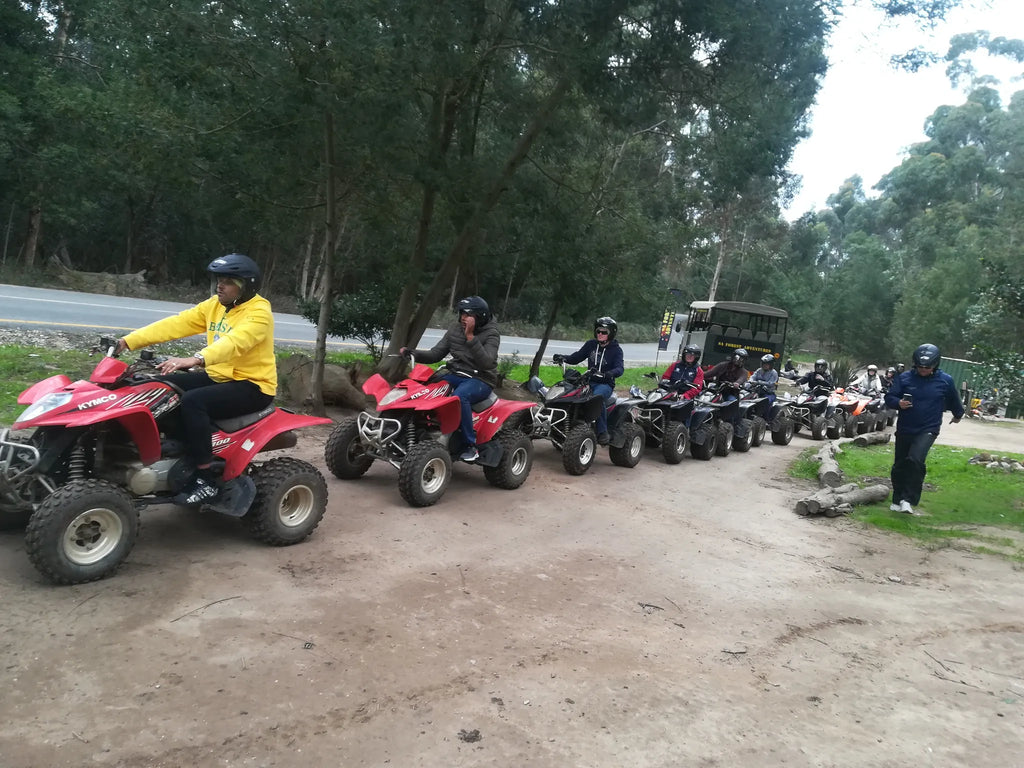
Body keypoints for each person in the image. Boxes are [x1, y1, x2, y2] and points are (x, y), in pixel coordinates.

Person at [114, 254, 276, 505]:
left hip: (253, 385)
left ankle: (205, 475)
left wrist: (197, 358)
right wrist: (128, 341)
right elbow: (176, 324)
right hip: (219, 376)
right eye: (218, 280)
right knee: (160, 388)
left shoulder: (259, 312)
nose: (219, 286)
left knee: (193, 401)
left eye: (228, 281)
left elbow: (236, 342)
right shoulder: (215, 305)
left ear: (246, 286)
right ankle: (180, 450)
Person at [403, 296, 499, 463]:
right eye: (462, 313)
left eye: (468, 314)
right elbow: (435, 354)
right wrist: (414, 353)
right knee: (424, 390)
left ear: (480, 316)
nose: (463, 318)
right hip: (456, 374)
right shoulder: (455, 330)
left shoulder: (491, 334)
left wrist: (470, 336)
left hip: (481, 378)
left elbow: (487, 363)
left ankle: (470, 445)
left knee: (459, 397)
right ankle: (416, 430)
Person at [884, 343, 963, 515]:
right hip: (906, 427)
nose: (923, 370)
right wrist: (898, 403)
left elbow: (954, 399)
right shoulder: (904, 378)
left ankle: (908, 500)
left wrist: (958, 414)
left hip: (928, 427)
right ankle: (897, 499)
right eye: (920, 367)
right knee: (900, 464)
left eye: (927, 367)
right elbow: (889, 397)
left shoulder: (945, 380)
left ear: (935, 365)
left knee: (916, 460)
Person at [553, 316, 624, 445]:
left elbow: (620, 368)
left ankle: (603, 432)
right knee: (568, 393)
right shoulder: (591, 344)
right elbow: (576, 357)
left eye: (604, 332)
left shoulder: (616, 350)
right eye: (598, 331)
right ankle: (562, 425)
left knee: (596, 398)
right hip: (588, 381)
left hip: (605, 384)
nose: (600, 334)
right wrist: (563, 358)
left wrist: (610, 373)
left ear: (611, 333)